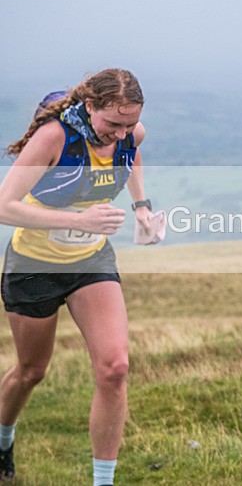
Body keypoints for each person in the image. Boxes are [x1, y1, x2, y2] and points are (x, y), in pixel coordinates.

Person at [0, 69, 151, 485]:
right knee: (31, 371)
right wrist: (78, 220)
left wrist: (142, 206)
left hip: (90, 262)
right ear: (90, 106)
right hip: (34, 265)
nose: (121, 134)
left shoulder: (129, 134)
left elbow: (131, 155)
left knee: (115, 368)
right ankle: (3, 439)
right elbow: (4, 206)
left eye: (129, 124)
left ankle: (103, 482)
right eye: (112, 124)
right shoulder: (54, 137)